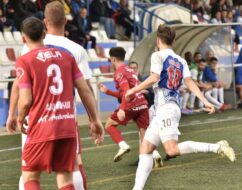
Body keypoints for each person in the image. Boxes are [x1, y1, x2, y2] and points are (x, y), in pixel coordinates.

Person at [125, 25, 236, 190]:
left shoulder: (157, 55)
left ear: (158, 40)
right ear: (174, 41)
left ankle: (217, 147)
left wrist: (132, 90)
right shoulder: (180, 60)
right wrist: (204, 101)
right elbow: (190, 83)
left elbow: (153, 78)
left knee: (172, 150)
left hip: (167, 109)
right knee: (146, 149)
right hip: (165, 108)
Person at [6, 1, 94, 189]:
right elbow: (85, 89)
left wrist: (15, 115)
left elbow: (20, 89)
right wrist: (94, 119)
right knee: (69, 173)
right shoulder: (73, 52)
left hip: (36, 121)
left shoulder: (26, 54)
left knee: (29, 175)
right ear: (65, 21)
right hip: (66, 119)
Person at [98, 47, 162, 167]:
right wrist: (107, 91)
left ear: (112, 59)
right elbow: (125, 92)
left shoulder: (119, 72)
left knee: (109, 125)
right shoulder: (130, 70)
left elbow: (127, 92)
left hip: (131, 104)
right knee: (144, 134)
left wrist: (122, 108)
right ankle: (155, 154)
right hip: (142, 104)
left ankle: (123, 146)